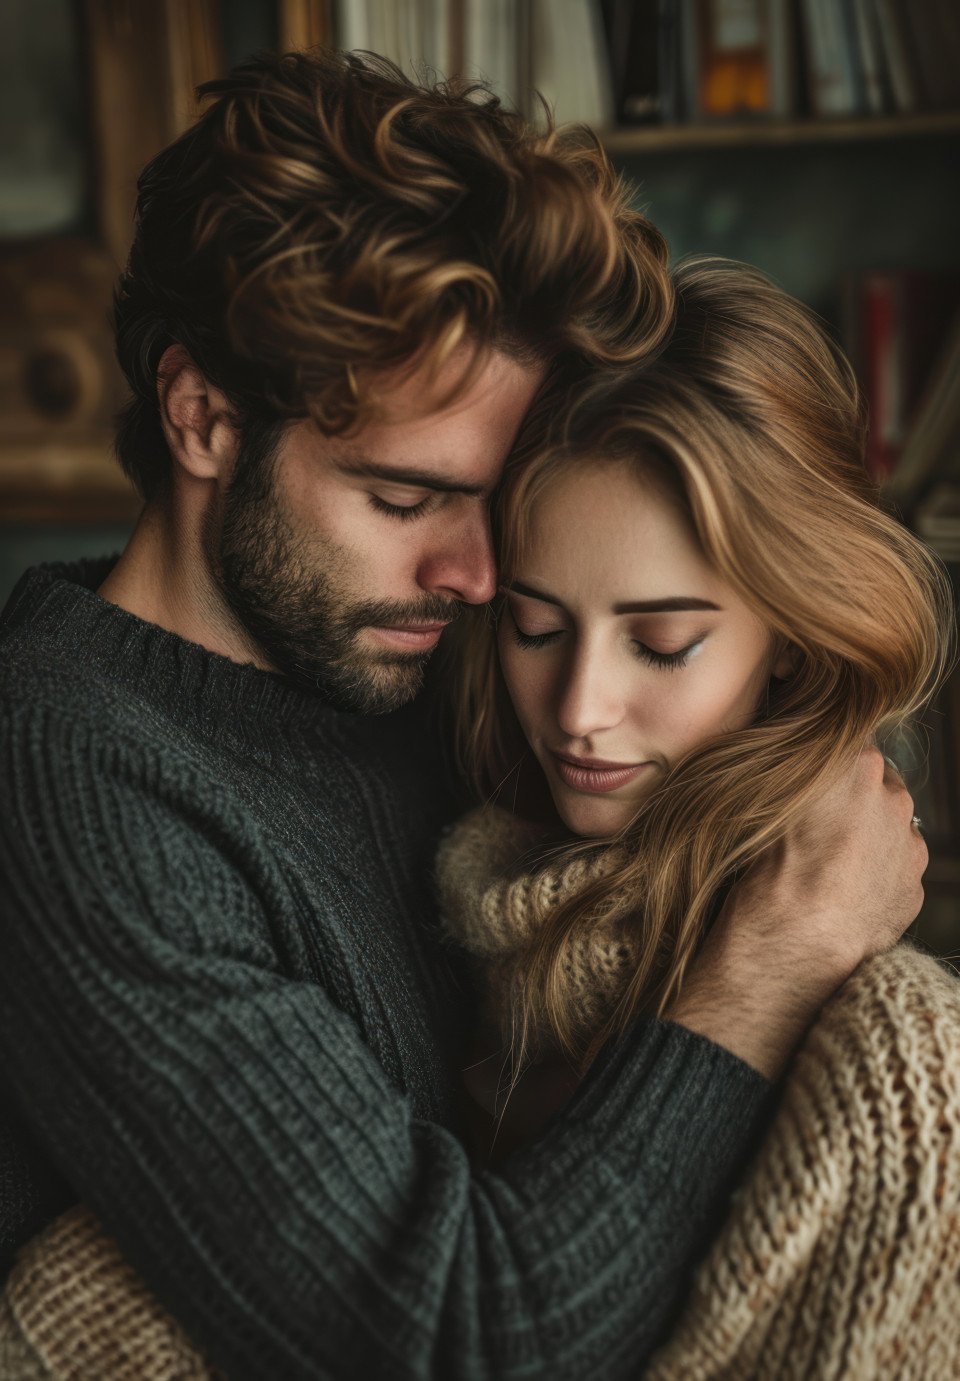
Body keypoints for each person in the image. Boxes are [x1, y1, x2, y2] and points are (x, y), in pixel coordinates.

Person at [0, 51, 930, 1381]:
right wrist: (769, 966)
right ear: (202, 417)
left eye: (491, 506)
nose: (481, 580)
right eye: (402, 497)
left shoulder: (409, 666)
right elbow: (451, 1338)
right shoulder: (66, 771)